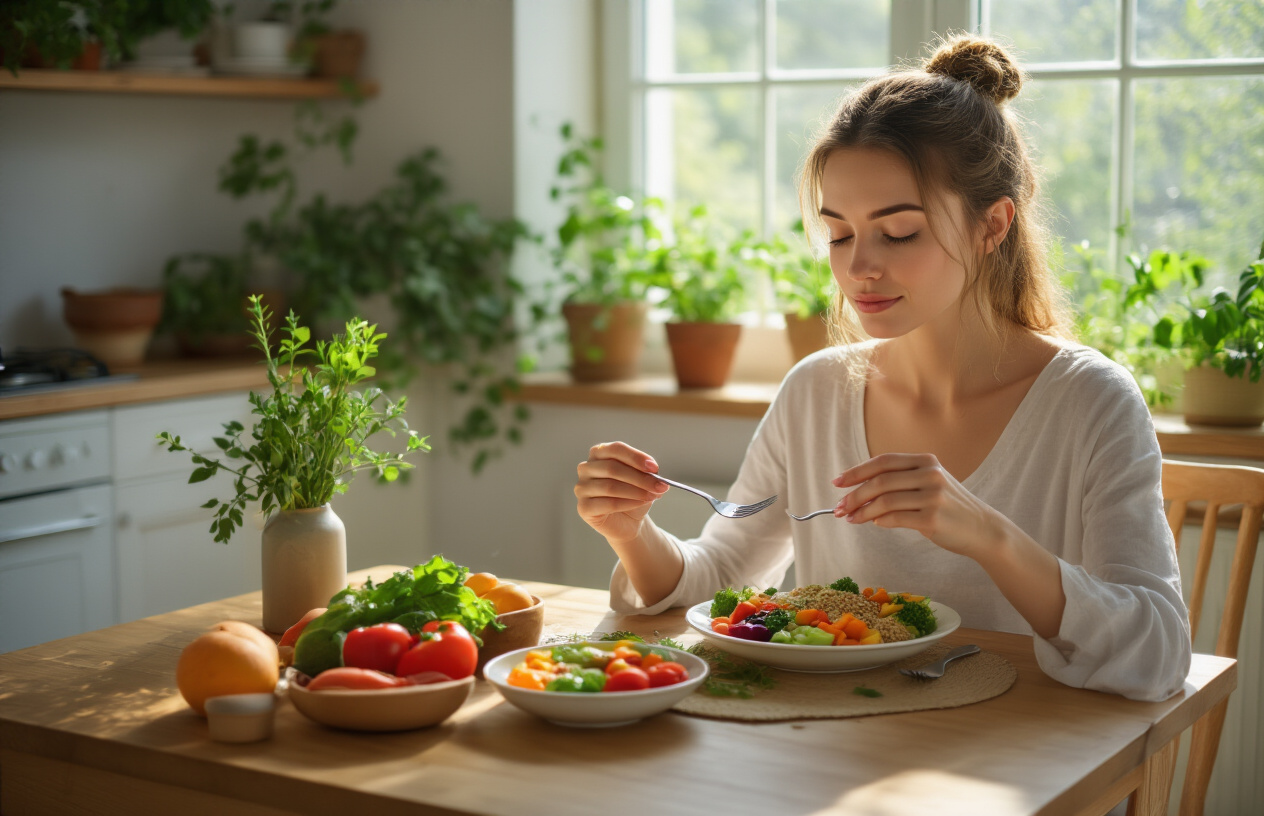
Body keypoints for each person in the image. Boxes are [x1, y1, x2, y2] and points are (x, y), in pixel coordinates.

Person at [574, 34, 1191, 702]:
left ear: (993, 226)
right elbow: (719, 573)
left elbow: (1158, 652)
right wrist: (631, 532)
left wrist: (987, 534)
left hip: (1020, 766)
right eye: (838, 233)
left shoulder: (1091, 403)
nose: (858, 267)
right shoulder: (816, 390)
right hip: (827, 747)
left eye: (899, 232)